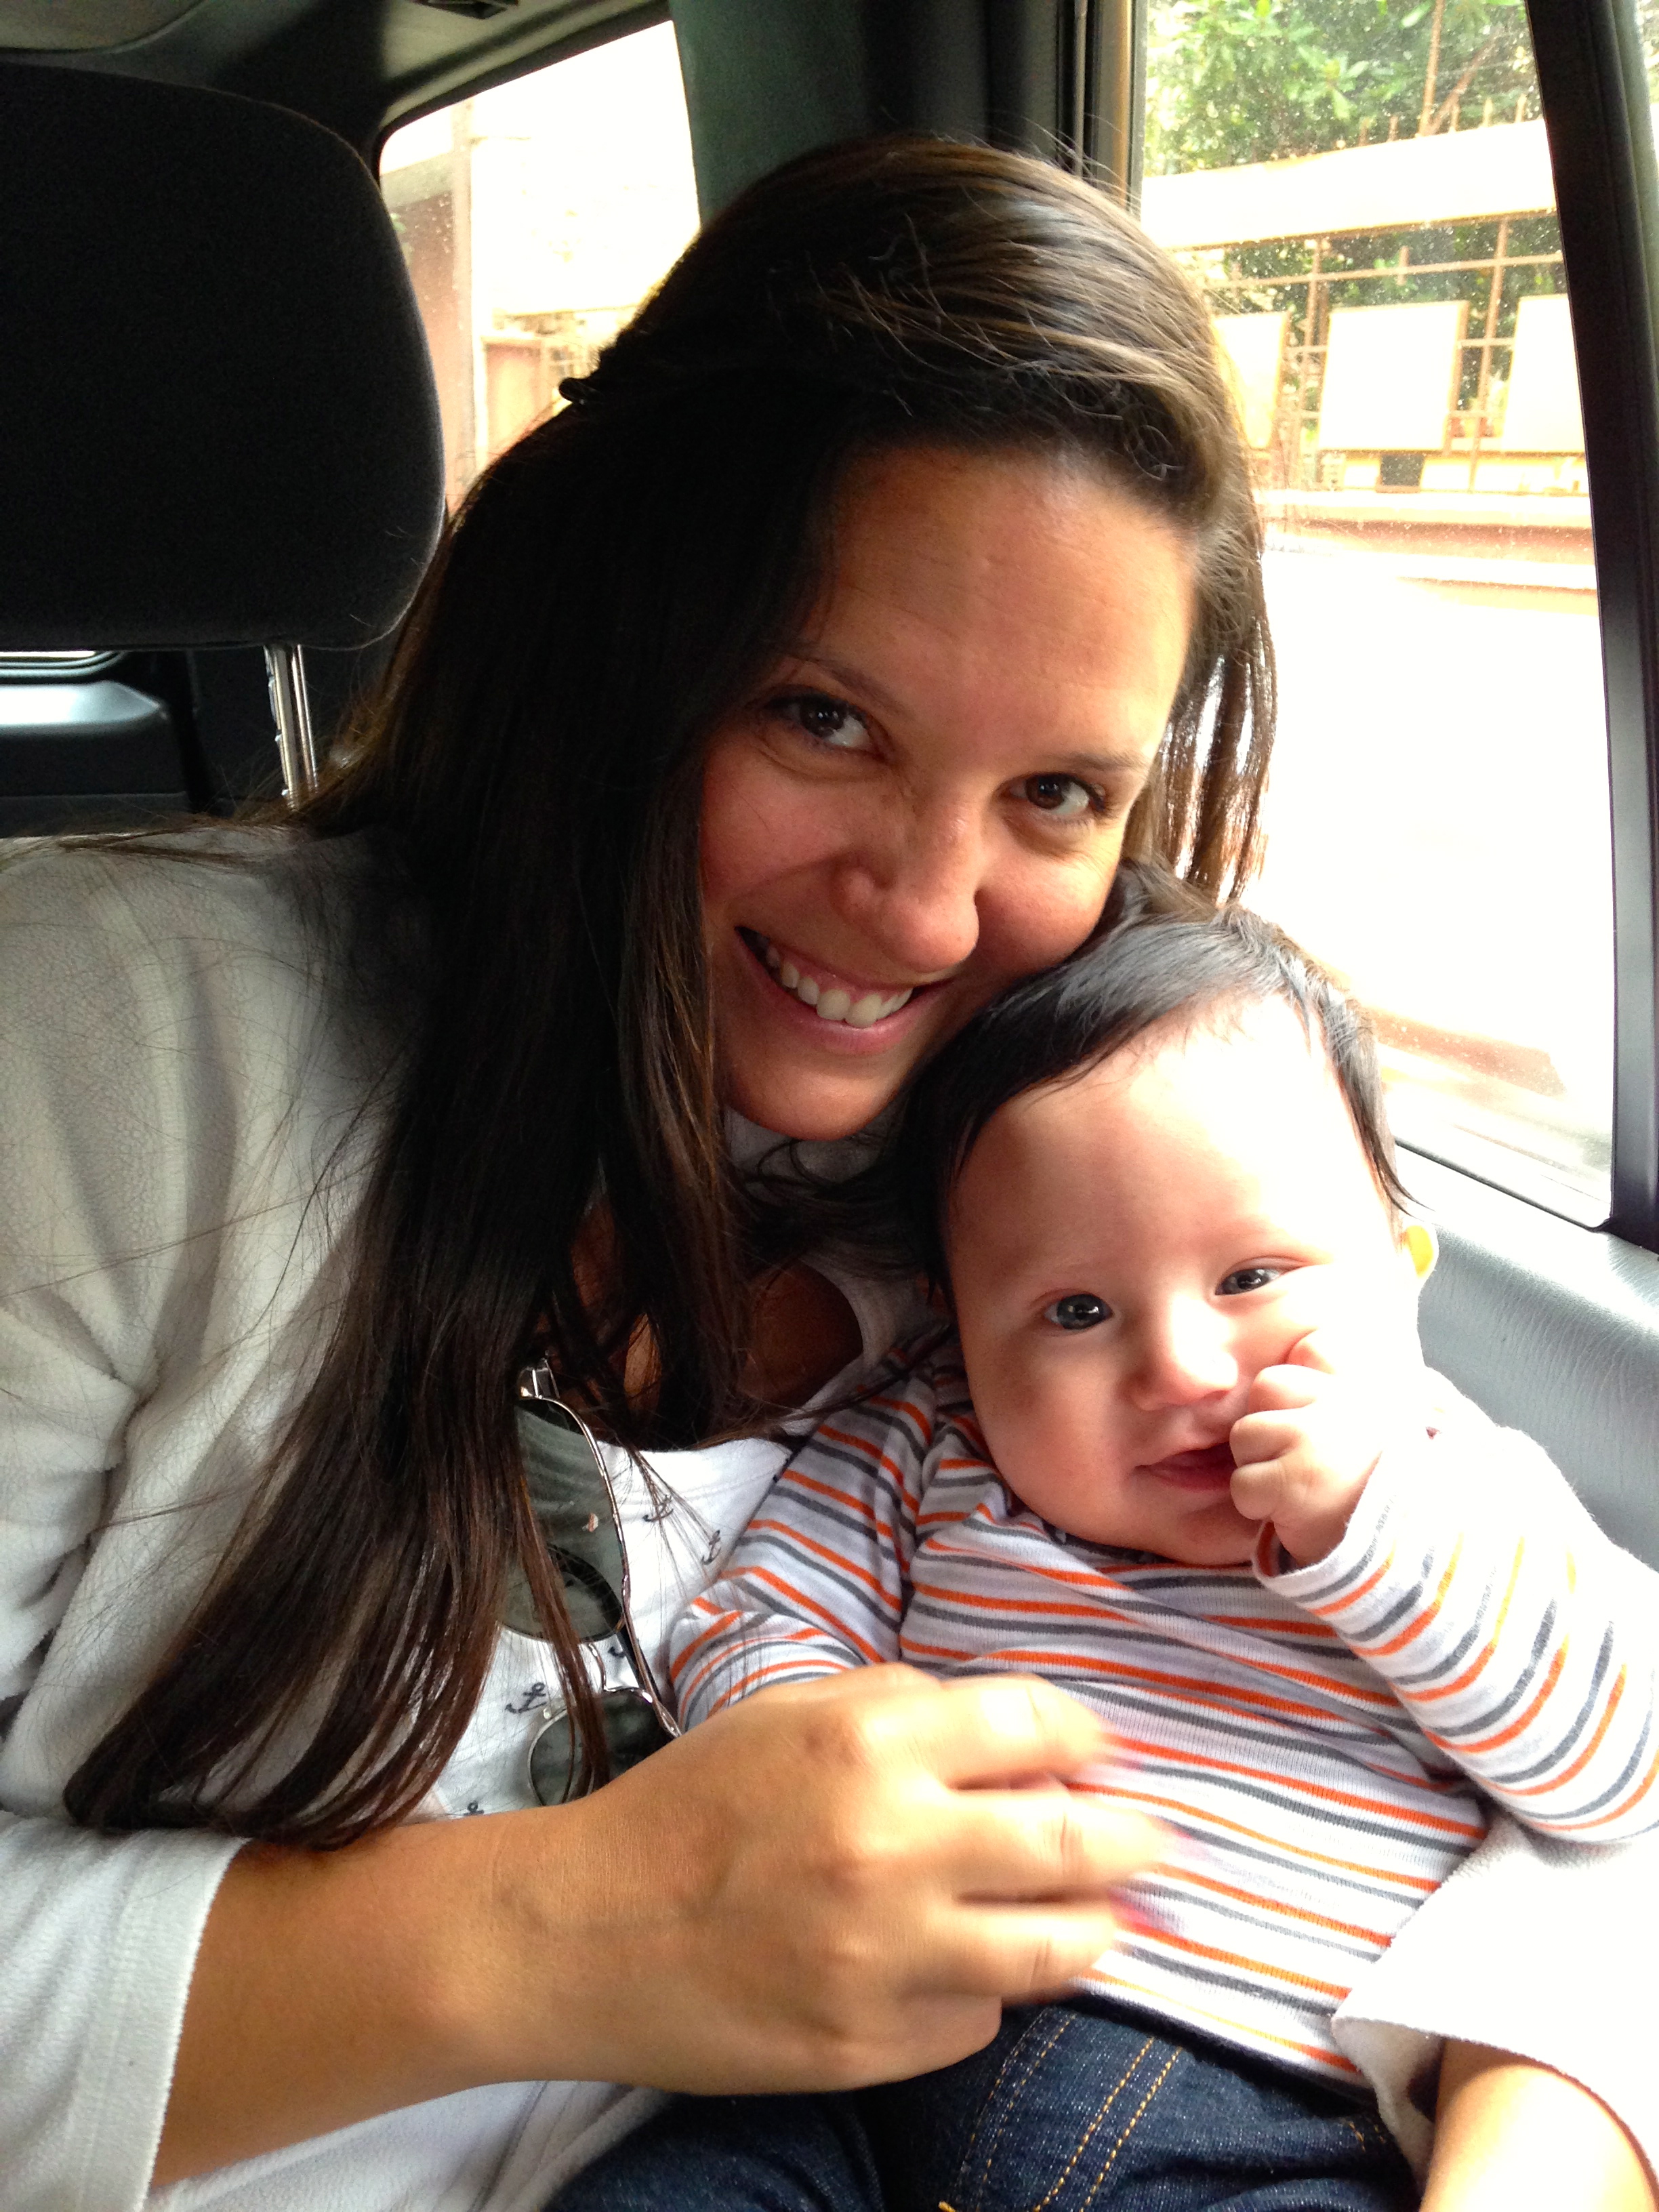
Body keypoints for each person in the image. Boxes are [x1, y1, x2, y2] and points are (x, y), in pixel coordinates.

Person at [0, 135, 1652, 2212]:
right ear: (622, 638)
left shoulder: (1052, 1138)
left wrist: (1551, 2124)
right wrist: (583, 1933)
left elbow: (1584, 1735)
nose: (932, 910)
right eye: (824, 720)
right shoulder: (107, 1040)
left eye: (1057, 791)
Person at [550, 867, 1659, 2212]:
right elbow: (755, 1619)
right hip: (868, 2064)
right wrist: (837, 1759)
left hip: (1262, 2116)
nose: (1182, 1366)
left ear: (1400, 1269)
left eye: (1252, 1278)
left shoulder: (1445, 1483)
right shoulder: (932, 1441)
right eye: (1077, 1313)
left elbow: (1616, 1771)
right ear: (961, 1327)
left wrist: (1376, 1526)